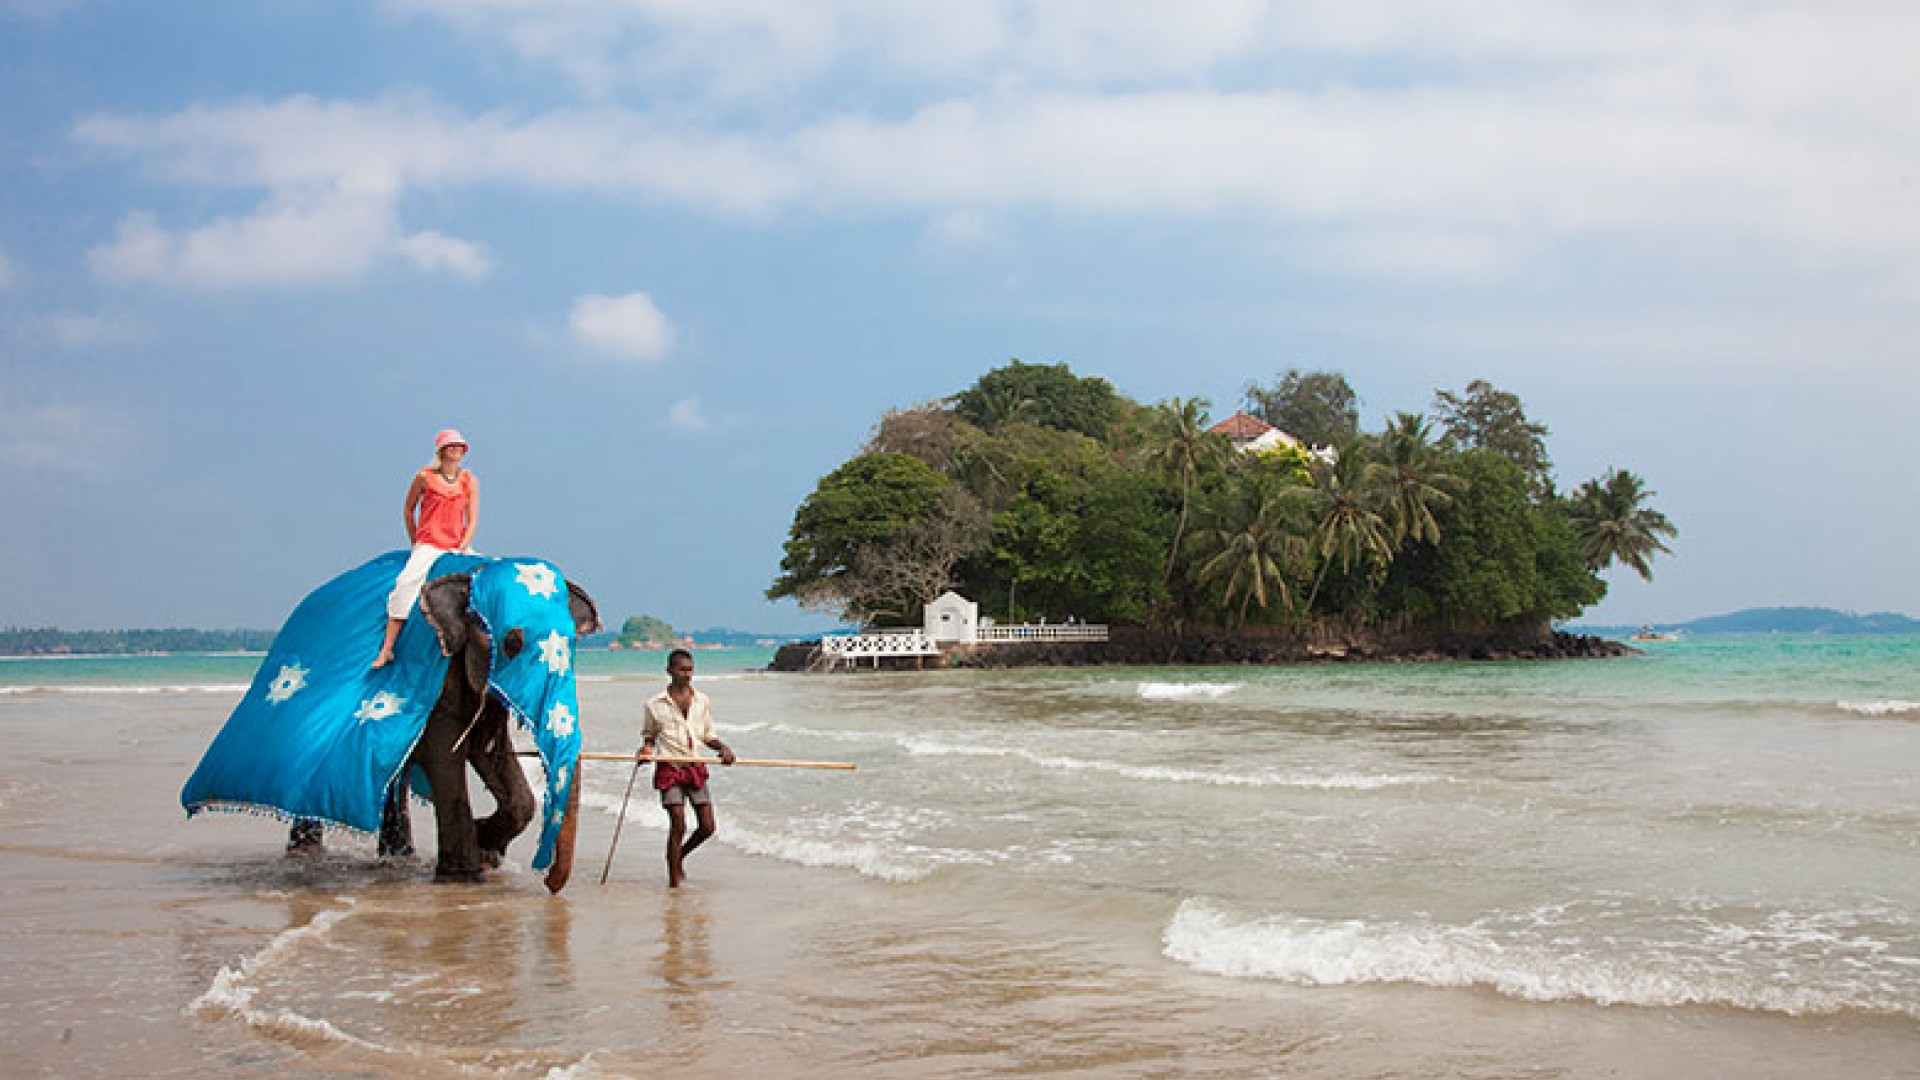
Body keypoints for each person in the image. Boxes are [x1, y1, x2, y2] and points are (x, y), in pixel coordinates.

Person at [371, 428, 479, 669]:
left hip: (457, 545)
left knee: (485, 578)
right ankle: (387, 648)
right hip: (430, 544)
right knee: (406, 584)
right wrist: (416, 539)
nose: (456, 450)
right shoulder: (425, 477)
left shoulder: (469, 481)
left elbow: (472, 519)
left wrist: (463, 545)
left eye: (459, 446)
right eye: (451, 446)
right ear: (441, 450)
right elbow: (408, 510)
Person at [638, 648, 735, 887]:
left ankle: (677, 856)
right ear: (669, 671)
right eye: (682, 670)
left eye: (690, 670)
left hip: (694, 767)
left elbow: (707, 735)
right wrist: (646, 750)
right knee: (678, 822)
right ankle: (674, 881)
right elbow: (649, 735)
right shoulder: (654, 704)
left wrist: (723, 748)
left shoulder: (702, 701)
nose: (687, 674)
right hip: (669, 768)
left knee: (707, 827)